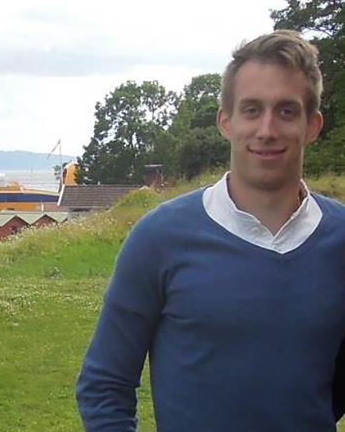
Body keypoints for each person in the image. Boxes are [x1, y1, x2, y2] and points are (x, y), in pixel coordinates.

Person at [76, 30, 345, 431]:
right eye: (251, 110)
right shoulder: (160, 238)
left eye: (286, 111)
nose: (266, 129)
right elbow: (104, 385)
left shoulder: (340, 241)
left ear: (312, 125)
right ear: (225, 121)